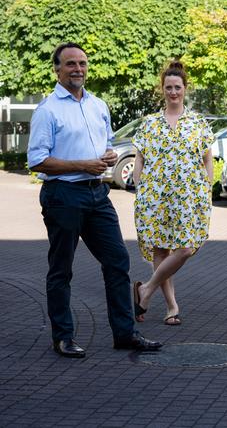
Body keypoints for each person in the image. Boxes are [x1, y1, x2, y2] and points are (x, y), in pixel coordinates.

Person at [27, 42, 162, 358]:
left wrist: (108, 155)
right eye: (70, 64)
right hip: (64, 195)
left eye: (82, 63)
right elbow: (36, 161)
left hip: (97, 194)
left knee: (117, 260)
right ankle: (63, 336)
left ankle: (125, 333)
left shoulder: (98, 105)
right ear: (57, 69)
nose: (78, 69)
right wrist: (82, 165)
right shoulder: (48, 110)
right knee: (61, 268)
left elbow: (106, 144)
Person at [131, 61, 215, 326]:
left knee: (186, 248)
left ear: (185, 89)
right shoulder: (150, 123)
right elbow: (140, 160)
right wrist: (139, 189)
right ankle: (171, 307)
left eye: (177, 87)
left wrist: (207, 189)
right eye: (168, 87)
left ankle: (145, 288)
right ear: (162, 89)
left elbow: (207, 159)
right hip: (155, 196)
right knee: (160, 249)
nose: (173, 92)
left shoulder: (197, 123)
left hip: (189, 197)